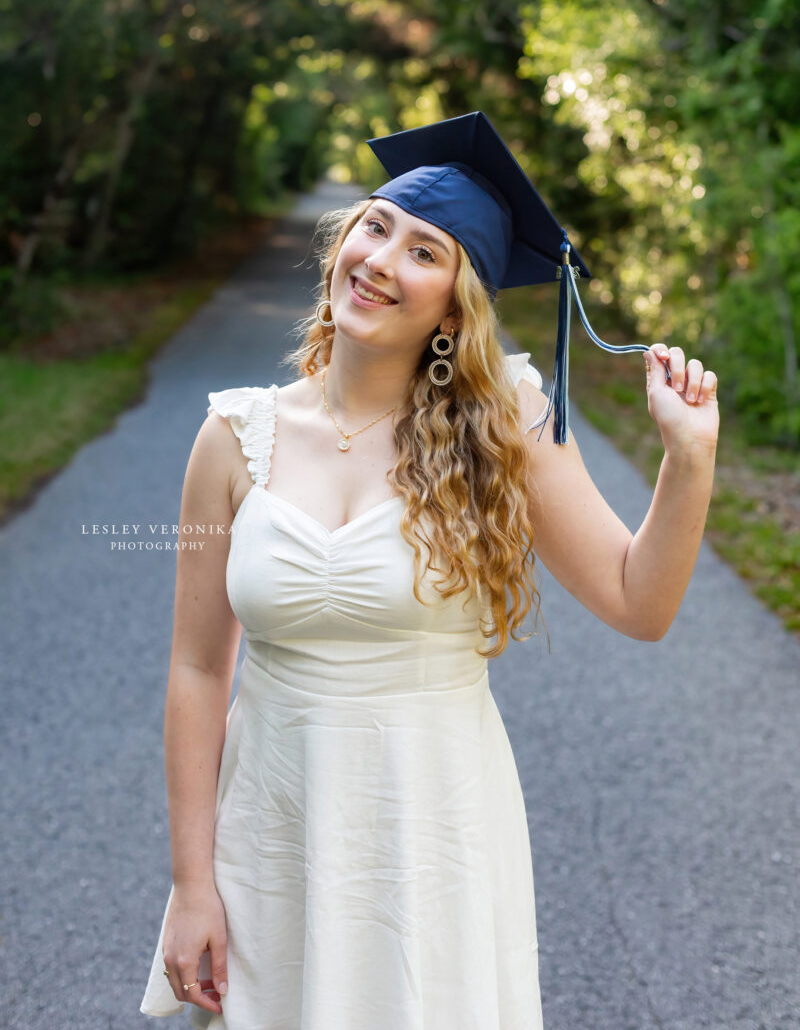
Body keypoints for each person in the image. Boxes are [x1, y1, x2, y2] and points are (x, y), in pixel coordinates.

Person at [139, 112, 719, 1028]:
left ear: (457, 306)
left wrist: (688, 462)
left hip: (433, 831)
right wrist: (190, 884)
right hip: (273, 828)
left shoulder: (505, 429)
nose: (380, 260)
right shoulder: (233, 435)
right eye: (374, 227)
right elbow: (198, 669)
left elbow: (637, 601)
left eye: (424, 251)